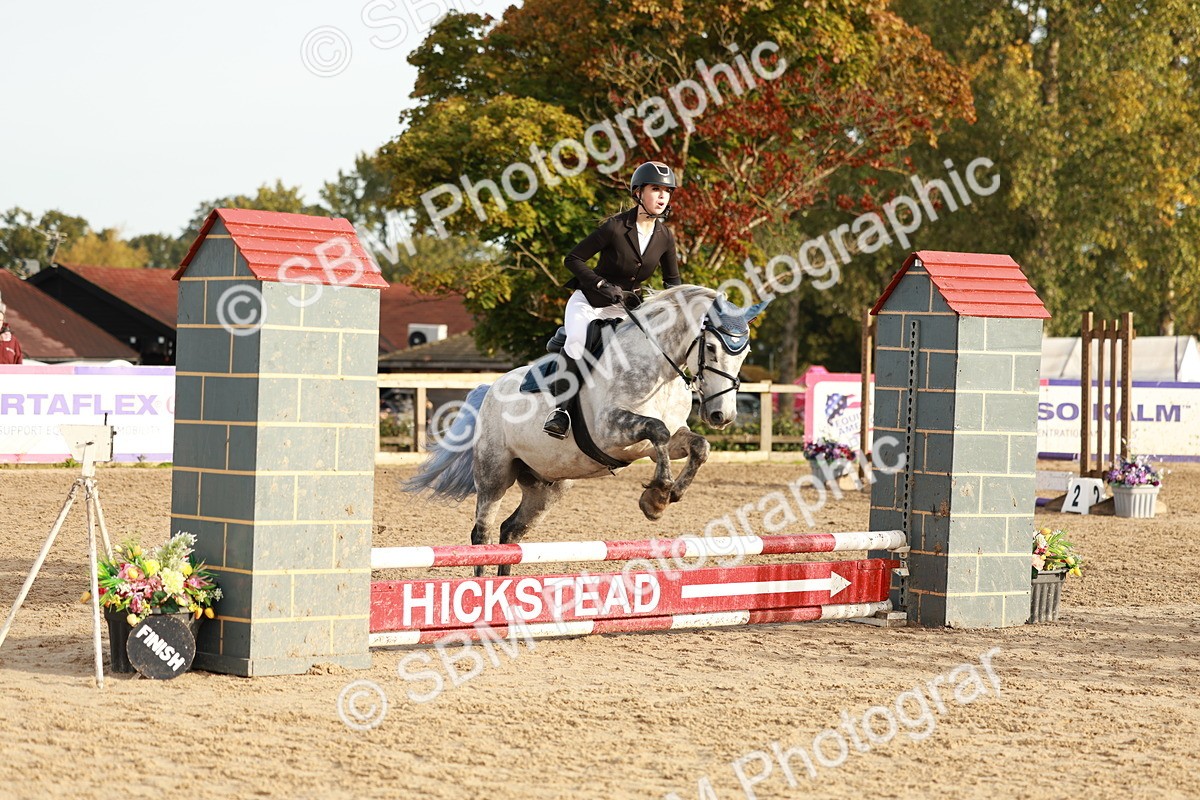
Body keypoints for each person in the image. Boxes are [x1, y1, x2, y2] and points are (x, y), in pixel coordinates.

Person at [544, 161, 682, 439]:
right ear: (638, 193)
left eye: (667, 191)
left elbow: (673, 283)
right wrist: (601, 284)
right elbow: (573, 259)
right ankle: (561, 412)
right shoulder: (615, 227)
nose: (663, 197)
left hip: (626, 311)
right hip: (589, 302)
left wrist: (684, 310)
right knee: (577, 340)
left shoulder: (665, 237)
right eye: (656, 189)